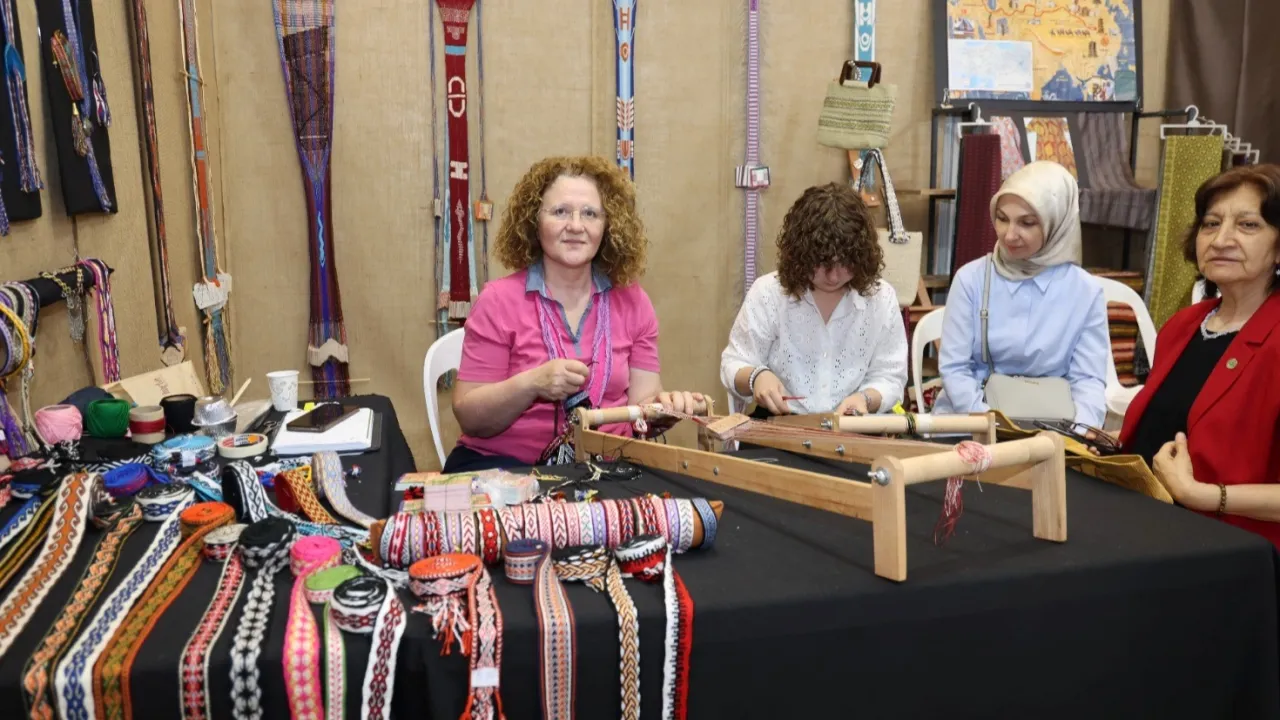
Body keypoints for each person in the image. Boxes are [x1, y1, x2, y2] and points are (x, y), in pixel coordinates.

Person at [445, 156, 704, 473]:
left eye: (590, 214)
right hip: (505, 469)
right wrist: (532, 384)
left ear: (608, 225)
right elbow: (470, 417)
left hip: (607, 468)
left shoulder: (634, 301)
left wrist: (663, 410)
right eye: (560, 212)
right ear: (533, 222)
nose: (576, 226)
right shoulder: (498, 300)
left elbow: (643, 406)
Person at [1119, 164, 1280, 546]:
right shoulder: (1184, 325)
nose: (1221, 240)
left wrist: (1204, 496)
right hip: (1144, 524)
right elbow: (1174, 423)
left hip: (1234, 549)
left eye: (1248, 225)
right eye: (1211, 224)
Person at [932, 161, 1109, 426]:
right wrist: (992, 425)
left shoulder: (1085, 292)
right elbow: (955, 369)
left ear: (1057, 223)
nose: (1009, 235)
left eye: (1026, 223)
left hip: (1052, 429)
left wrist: (1080, 431)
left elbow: (1088, 380)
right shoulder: (971, 280)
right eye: (1002, 219)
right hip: (972, 422)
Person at [720, 182, 907, 416]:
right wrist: (756, 376)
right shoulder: (768, 293)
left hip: (854, 423)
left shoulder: (880, 298)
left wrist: (865, 399)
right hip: (781, 422)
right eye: (822, 263)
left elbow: (890, 376)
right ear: (801, 255)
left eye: (846, 263)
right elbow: (733, 363)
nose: (833, 276)